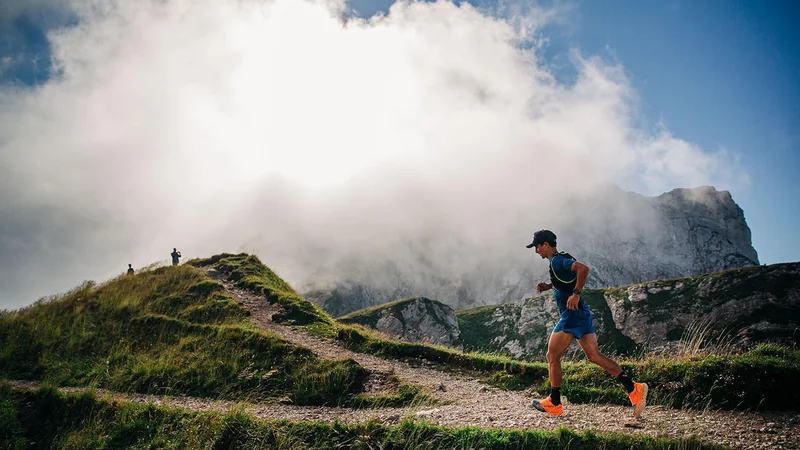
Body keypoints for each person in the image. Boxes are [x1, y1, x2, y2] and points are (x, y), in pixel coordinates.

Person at [526, 229, 648, 418]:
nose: (536, 251)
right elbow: (568, 278)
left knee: (552, 356)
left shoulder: (557, 261)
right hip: (582, 314)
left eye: (537, 247)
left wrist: (576, 294)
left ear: (546, 245)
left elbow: (583, 269)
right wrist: (549, 286)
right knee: (594, 356)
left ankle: (555, 402)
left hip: (571, 315)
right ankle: (634, 388)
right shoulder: (560, 258)